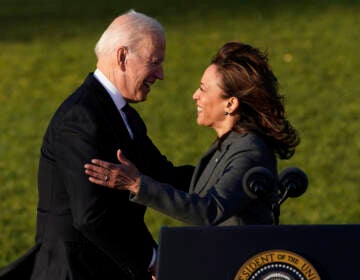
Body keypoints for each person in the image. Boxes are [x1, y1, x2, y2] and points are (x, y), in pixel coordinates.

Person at [0, 10, 193, 280]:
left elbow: (162, 175)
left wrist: (225, 175)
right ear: (123, 56)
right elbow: (91, 215)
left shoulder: (121, 114)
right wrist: (151, 259)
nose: (160, 74)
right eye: (154, 62)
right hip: (75, 271)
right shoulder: (81, 118)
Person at [84, 42, 300, 226]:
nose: (195, 95)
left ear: (231, 104)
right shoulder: (231, 143)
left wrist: (137, 184)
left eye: (203, 89)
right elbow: (202, 187)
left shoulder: (250, 151)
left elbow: (210, 209)